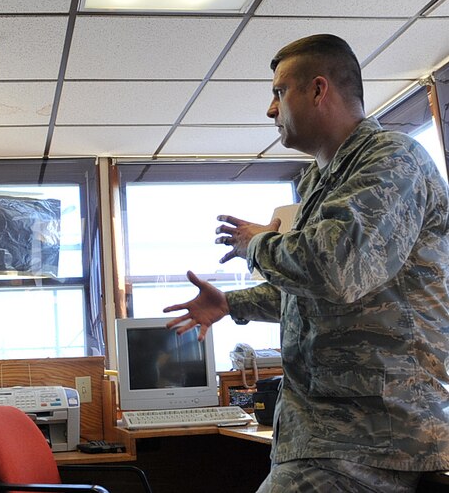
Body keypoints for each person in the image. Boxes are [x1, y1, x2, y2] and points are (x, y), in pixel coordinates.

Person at [165, 34, 449, 492]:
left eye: (279, 92)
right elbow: (316, 294)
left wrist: (258, 244)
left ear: (319, 90)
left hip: (375, 442)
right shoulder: (322, 179)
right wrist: (232, 304)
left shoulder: (393, 160)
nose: (271, 109)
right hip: (329, 437)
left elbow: (334, 269)